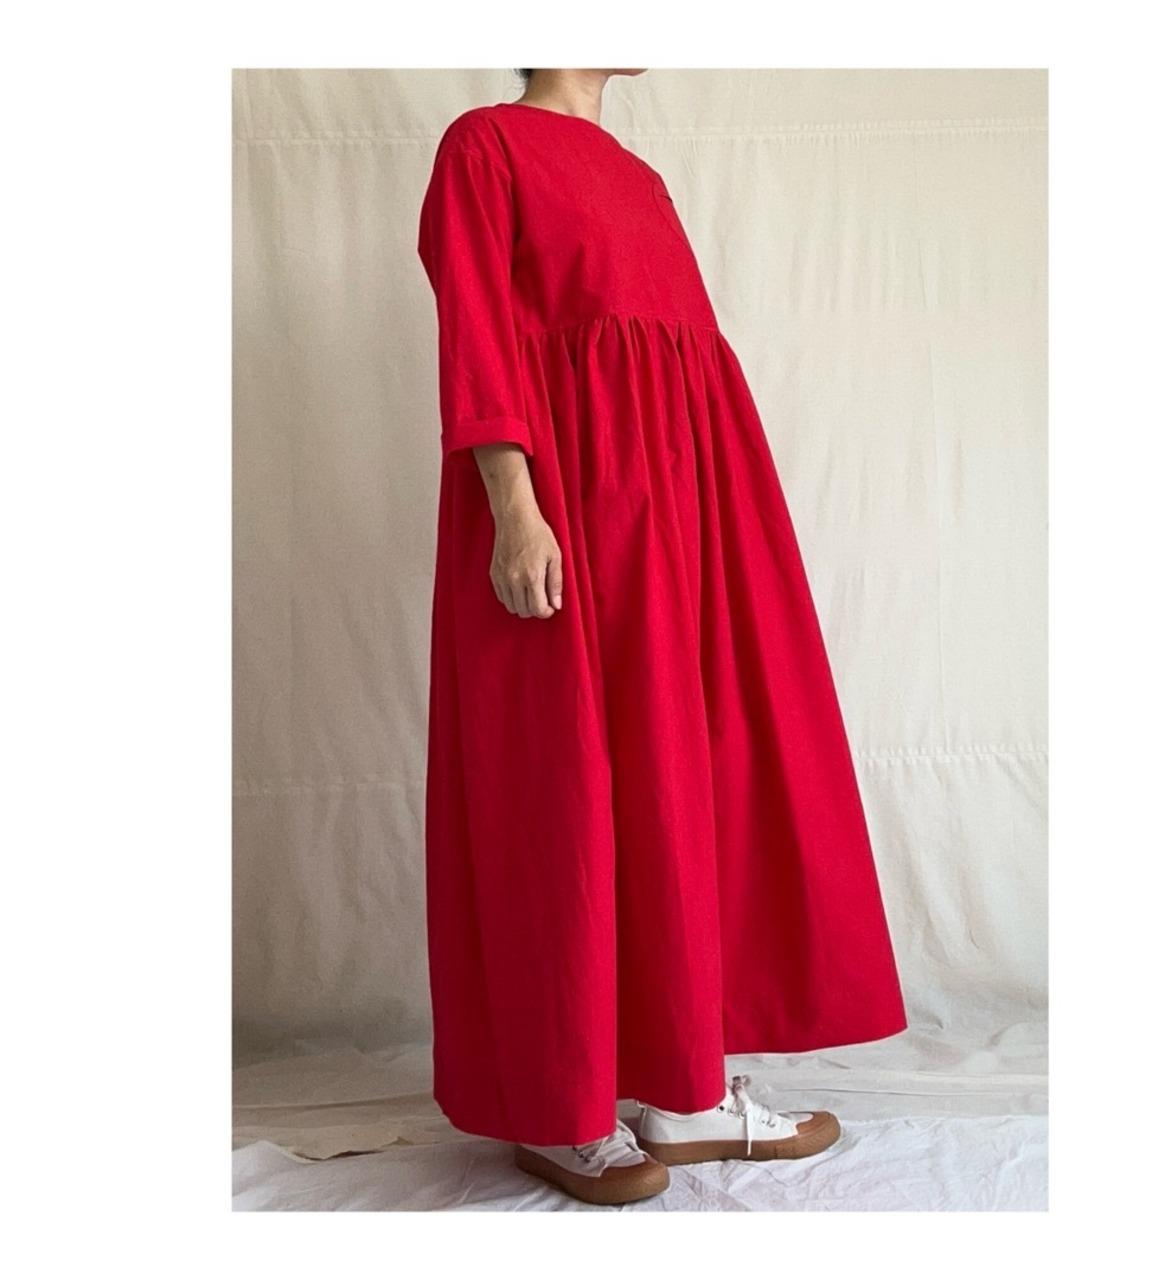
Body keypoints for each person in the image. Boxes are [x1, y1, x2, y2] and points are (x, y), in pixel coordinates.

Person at [416, 68, 908, 1206]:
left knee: (684, 783)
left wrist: (720, 529)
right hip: (569, 505)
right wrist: (515, 508)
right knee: (564, 793)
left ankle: (679, 1089)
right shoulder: (485, 144)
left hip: (678, 516)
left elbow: (679, 367)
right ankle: (562, 1105)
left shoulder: (638, 177)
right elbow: (477, 334)